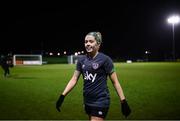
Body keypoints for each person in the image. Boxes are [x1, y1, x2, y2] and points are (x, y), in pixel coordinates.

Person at [56, 31, 131, 121]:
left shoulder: (105, 60)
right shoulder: (81, 60)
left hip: (101, 101)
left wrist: (123, 101)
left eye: (91, 41)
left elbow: (115, 82)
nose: (87, 44)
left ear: (98, 44)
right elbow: (74, 79)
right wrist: (62, 96)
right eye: (86, 41)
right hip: (87, 101)